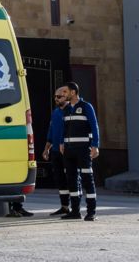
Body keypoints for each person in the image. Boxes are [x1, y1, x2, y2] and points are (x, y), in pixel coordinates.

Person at [58, 81, 99, 221]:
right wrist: (62, 142)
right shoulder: (66, 109)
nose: (63, 94)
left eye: (65, 92)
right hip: (68, 150)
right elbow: (64, 128)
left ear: (73, 92)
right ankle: (75, 211)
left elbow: (94, 126)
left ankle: (91, 212)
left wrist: (95, 145)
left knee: (87, 179)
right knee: (71, 180)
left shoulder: (86, 106)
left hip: (83, 149)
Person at [43, 86, 71, 216]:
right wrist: (46, 149)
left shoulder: (72, 111)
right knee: (60, 179)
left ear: (67, 96)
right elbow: (51, 131)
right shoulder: (55, 112)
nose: (56, 99)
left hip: (68, 150)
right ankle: (64, 206)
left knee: (72, 178)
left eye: (59, 97)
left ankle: (75, 208)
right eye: (55, 96)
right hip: (55, 151)